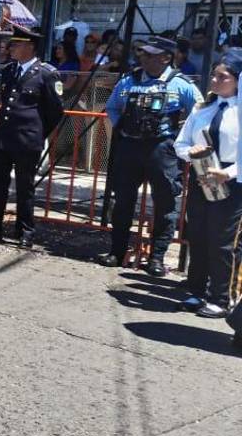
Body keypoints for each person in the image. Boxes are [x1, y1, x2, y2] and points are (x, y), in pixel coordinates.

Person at [101, 36, 202, 274]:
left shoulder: (181, 84)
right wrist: (122, 128)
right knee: (122, 201)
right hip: (130, 147)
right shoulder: (130, 79)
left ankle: (156, 258)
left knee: (166, 203)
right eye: (143, 53)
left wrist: (181, 139)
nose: (143, 57)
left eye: (150, 54)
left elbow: (199, 113)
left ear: (166, 58)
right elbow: (112, 107)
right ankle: (117, 252)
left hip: (162, 149)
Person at [0, 26, 64, 249]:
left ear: (30, 47)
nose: (11, 49)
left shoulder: (46, 73)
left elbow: (55, 111)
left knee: (25, 188)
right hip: (3, 138)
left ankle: (25, 230)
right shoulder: (9, 70)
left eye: (16, 44)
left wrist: (36, 133)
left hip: (27, 140)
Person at [174, 49, 241, 316]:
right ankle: (196, 291)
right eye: (213, 75)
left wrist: (231, 172)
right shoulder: (203, 108)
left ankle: (222, 298)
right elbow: (181, 141)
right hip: (202, 174)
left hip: (232, 180)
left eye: (221, 77)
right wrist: (189, 153)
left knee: (223, 240)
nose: (214, 81)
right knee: (198, 234)